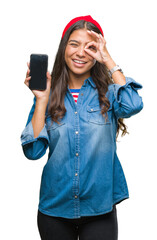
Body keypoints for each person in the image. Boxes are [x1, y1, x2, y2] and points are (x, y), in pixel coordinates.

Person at [21, 15, 143, 240]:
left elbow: (133, 104)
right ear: (64, 47)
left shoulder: (109, 92)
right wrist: (41, 99)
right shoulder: (49, 95)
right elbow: (33, 151)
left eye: (90, 47)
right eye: (74, 44)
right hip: (54, 210)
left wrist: (108, 59)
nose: (80, 53)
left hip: (99, 209)